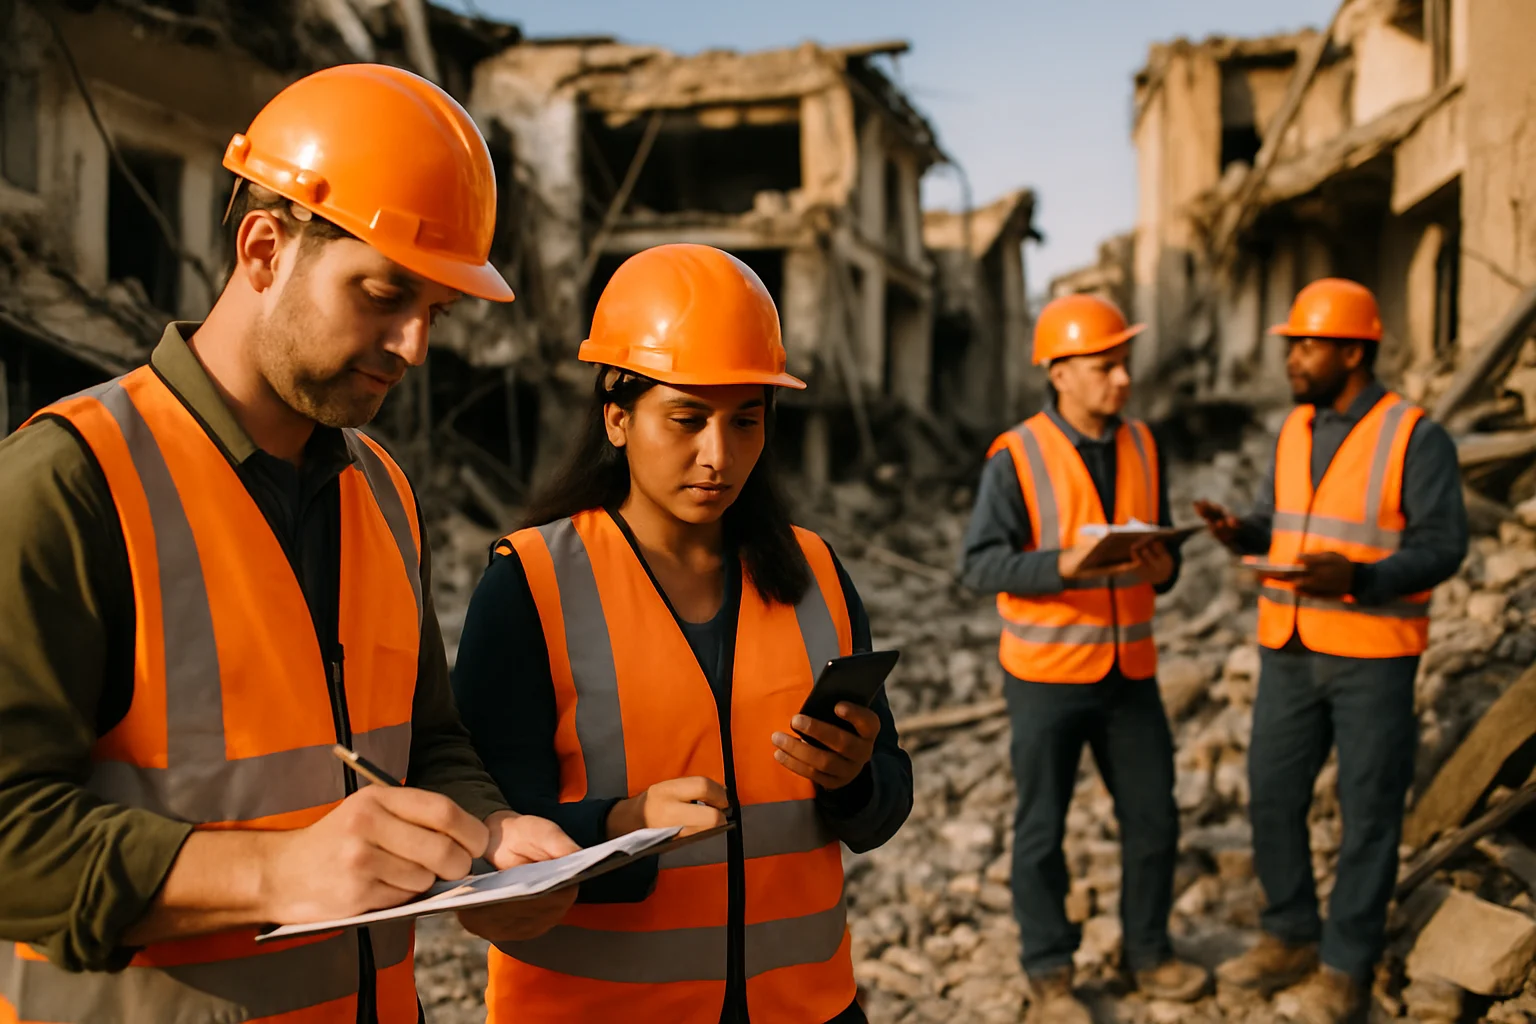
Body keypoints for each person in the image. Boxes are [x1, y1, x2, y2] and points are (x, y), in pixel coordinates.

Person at [0, 64, 581, 1024]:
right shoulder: (71, 483)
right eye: (385, 294)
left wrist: (493, 837)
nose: (412, 348)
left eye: (434, 313)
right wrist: (274, 871)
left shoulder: (385, 493)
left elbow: (425, 739)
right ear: (264, 247)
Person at [451, 242, 913, 1023]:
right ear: (618, 416)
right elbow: (481, 831)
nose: (719, 456)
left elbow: (885, 799)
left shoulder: (814, 573)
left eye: (746, 421)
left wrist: (855, 776)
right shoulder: (531, 584)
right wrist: (619, 826)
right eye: (687, 419)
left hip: (803, 1007)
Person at [1196, 278, 1468, 1024]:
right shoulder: (1293, 430)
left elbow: (1444, 546)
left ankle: (1346, 966)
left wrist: (1363, 577)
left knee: (1368, 811)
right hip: (1288, 646)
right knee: (1273, 797)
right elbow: (1280, 519)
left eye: (1306, 345)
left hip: (1373, 652)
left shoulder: (1416, 436)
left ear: (1354, 350)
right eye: (1292, 345)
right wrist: (1243, 533)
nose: (1292, 357)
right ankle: (1289, 933)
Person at [959, 294, 1211, 1023]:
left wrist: (1163, 564)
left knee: (1154, 817)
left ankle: (1149, 952)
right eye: (1106, 366)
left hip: (1131, 673)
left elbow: (1157, 568)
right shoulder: (1016, 455)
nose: (1122, 379)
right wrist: (1063, 567)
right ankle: (1049, 973)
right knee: (1043, 828)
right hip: (1045, 678)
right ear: (1061, 372)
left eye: (1124, 364)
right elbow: (979, 566)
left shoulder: (1143, 443)